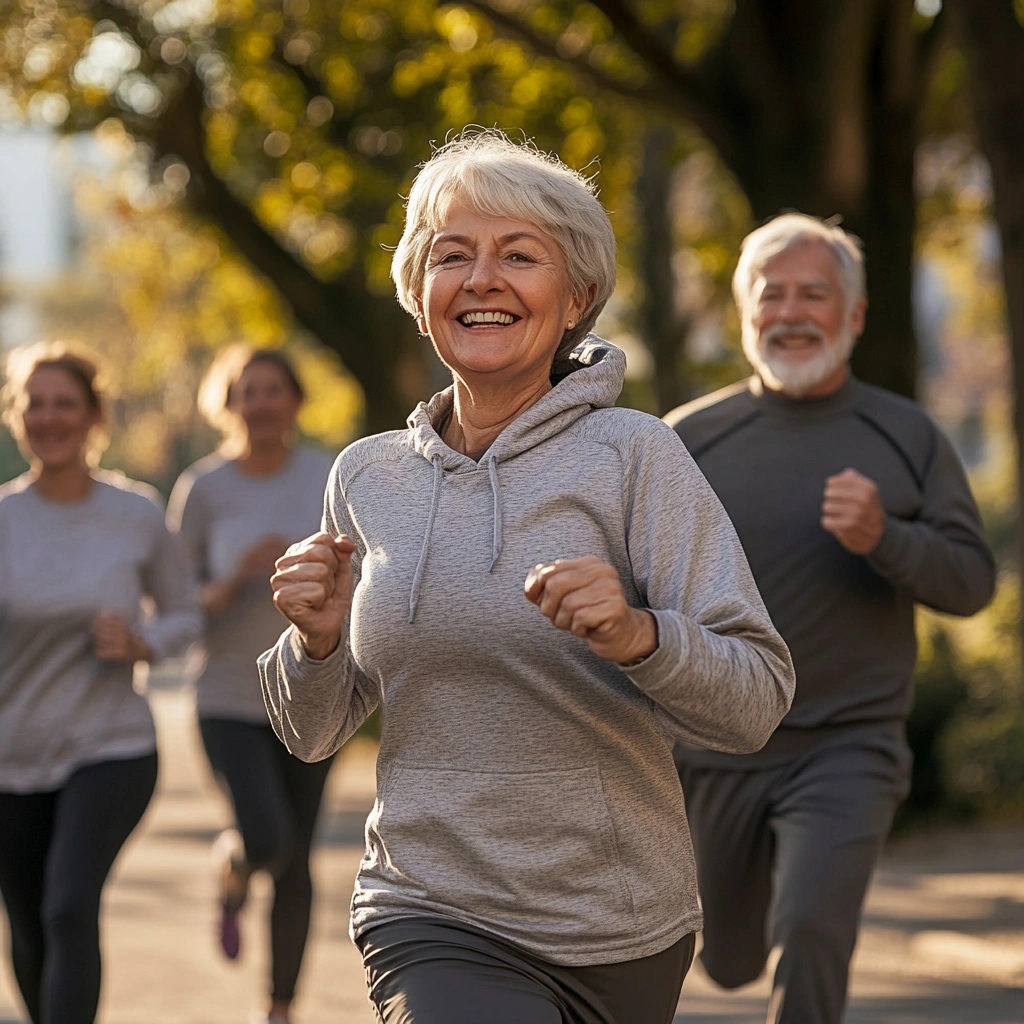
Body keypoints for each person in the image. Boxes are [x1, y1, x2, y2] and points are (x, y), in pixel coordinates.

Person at [257, 129, 796, 1024]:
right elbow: (313, 734)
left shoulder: (635, 456)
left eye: (518, 255)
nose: (482, 279)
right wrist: (313, 643)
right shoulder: (367, 476)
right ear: (419, 296)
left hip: (619, 924)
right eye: (452, 256)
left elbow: (756, 700)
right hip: (426, 907)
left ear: (577, 295)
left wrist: (640, 635)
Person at [664, 213, 996, 1024]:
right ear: (745, 312)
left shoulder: (906, 435)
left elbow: (971, 584)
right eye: (771, 294)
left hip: (849, 743)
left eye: (813, 294)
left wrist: (887, 537)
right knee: (726, 959)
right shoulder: (686, 440)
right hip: (715, 747)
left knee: (812, 928)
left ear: (854, 313)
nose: (791, 312)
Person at [0, 342, 200, 1024]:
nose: (50, 418)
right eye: (36, 405)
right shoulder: (4, 520)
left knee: (67, 906)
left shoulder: (134, 513)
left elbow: (184, 612)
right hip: (12, 754)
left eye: (66, 404)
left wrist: (143, 644)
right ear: (17, 417)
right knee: (28, 923)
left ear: (93, 417)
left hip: (110, 746)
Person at [167, 345, 336, 1024]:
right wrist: (238, 577)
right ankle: (236, 863)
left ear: (296, 400)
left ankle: (279, 1008)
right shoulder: (204, 488)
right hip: (229, 696)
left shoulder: (329, 475)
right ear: (228, 405)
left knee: (297, 861)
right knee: (268, 837)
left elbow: (364, 574)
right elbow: (174, 600)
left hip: (314, 693)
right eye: (248, 392)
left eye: (273, 390)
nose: (261, 403)